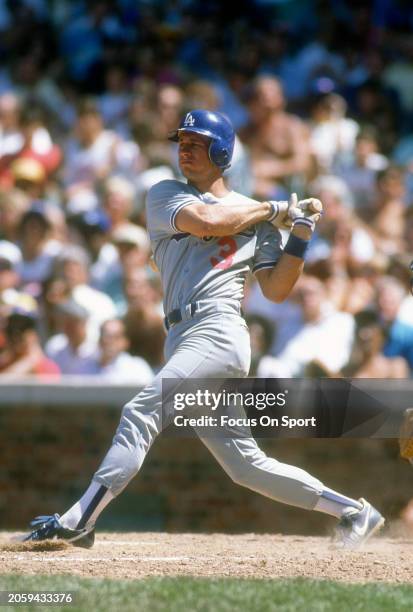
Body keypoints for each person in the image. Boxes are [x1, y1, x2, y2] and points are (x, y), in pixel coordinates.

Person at [24, 109, 384, 549]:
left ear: (222, 151)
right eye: (182, 142)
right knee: (244, 465)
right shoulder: (165, 193)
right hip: (183, 336)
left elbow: (276, 288)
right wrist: (276, 211)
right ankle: (353, 511)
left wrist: (301, 233)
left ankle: (80, 518)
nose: (185, 150)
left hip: (217, 330)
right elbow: (208, 222)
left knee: (141, 411)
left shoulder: (258, 218)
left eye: (196, 142)